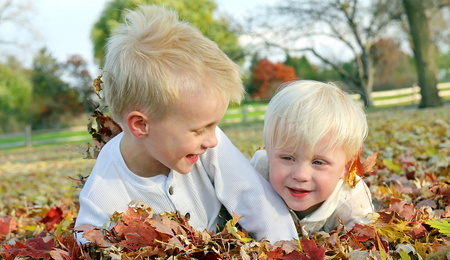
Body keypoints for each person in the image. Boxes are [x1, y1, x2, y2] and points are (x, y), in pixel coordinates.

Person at [74, 5, 298, 244]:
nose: (212, 139)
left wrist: (285, 251)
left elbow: (254, 197)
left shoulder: (209, 146)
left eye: (214, 126)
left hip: (224, 254)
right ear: (141, 125)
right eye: (200, 129)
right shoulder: (105, 184)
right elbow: (87, 239)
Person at [251, 80, 374, 236]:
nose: (301, 175)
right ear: (269, 154)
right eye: (288, 158)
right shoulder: (257, 173)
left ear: (346, 167)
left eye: (318, 162)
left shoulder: (352, 202)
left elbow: (365, 243)